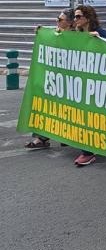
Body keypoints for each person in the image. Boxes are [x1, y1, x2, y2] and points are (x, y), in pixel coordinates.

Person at [25, 9, 75, 150]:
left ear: (70, 23)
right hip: (53, 78)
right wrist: (42, 32)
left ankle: (67, 136)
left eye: (60, 20)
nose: (57, 22)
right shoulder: (55, 33)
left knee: (67, 109)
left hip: (68, 80)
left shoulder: (77, 37)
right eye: (57, 19)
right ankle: (41, 138)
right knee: (46, 106)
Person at [72, 5, 106, 166]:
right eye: (74, 16)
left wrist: (99, 40)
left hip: (97, 83)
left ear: (87, 18)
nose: (75, 19)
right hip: (82, 82)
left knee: (91, 116)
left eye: (78, 16)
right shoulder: (76, 35)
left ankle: (88, 152)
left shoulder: (100, 33)